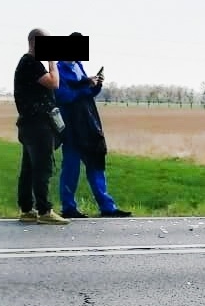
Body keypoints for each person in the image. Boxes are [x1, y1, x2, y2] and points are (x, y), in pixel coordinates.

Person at [55, 58, 131, 218]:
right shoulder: (58, 69)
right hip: (72, 126)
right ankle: (68, 208)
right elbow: (63, 96)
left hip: (89, 124)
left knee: (96, 164)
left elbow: (88, 94)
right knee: (71, 167)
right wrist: (85, 85)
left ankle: (107, 207)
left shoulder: (78, 66)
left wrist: (96, 85)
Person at [14, 29, 68, 225]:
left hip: (29, 124)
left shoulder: (27, 63)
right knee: (42, 168)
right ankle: (45, 210)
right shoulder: (31, 63)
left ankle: (27, 209)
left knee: (29, 168)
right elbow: (54, 83)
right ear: (35, 43)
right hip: (37, 125)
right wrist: (53, 62)